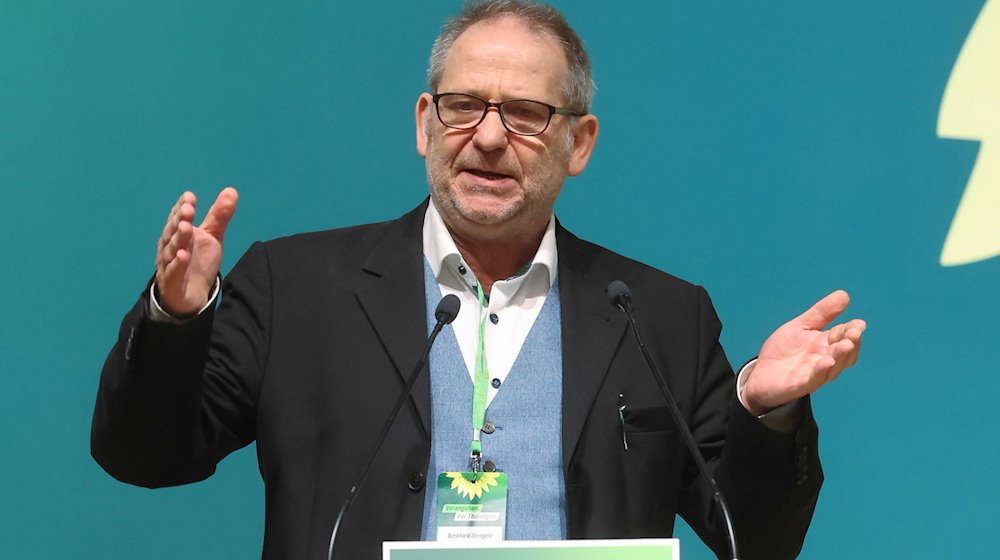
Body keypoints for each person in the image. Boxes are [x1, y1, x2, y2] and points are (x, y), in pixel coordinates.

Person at [92, 1, 865, 559]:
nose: (489, 138)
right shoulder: (296, 287)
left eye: (526, 114)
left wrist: (766, 415)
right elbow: (145, 457)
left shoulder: (660, 315)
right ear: (425, 122)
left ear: (579, 142)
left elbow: (753, 542)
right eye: (464, 107)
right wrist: (174, 320)